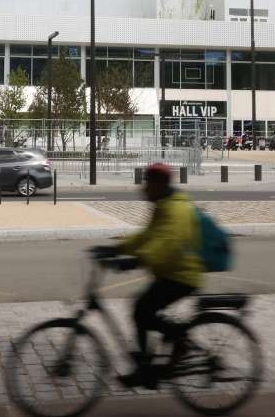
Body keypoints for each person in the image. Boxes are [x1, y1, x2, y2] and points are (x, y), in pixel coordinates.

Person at [93, 162, 202, 389]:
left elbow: (167, 244)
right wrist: (116, 249)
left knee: (142, 310)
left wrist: (138, 260)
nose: (144, 189)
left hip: (183, 275)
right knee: (141, 310)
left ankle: (176, 343)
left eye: (147, 183)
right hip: (170, 273)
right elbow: (147, 236)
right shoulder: (163, 206)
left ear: (159, 184)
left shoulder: (176, 209)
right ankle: (147, 365)